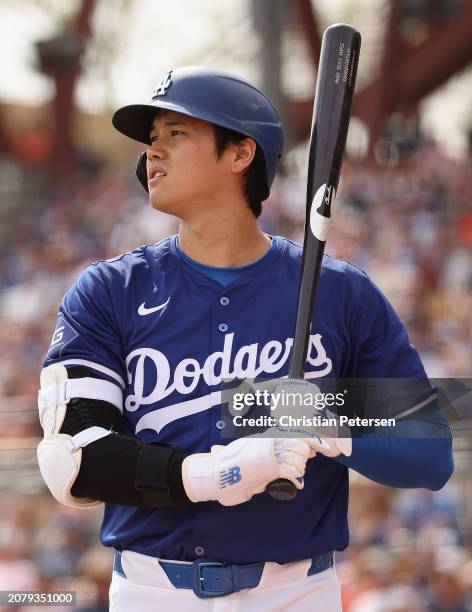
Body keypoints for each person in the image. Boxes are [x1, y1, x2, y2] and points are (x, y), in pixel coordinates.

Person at [36, 66, 453, 611]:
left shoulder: (339, 291)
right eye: (151, 139)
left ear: (240, 154)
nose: (151, 153)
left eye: (175, 134)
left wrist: (332, 424)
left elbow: (430, 452)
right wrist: (216, 475)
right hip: (152, 591)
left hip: (297, 592)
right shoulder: (110, 289)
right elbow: (74, 460)